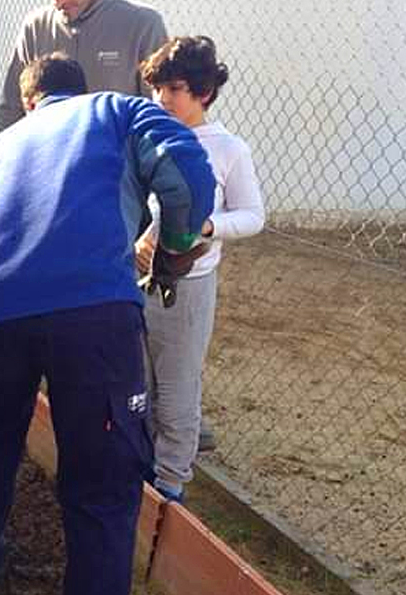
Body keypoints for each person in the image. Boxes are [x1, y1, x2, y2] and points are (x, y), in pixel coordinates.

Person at [0, 54, 216, 595]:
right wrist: (179, 243)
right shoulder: (117, 111)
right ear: (81, 89)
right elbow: (184, 163)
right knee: (103, 477)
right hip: (89, 312)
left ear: (29, 100)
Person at [135, 36, 266, 503]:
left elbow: (253, 216)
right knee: (141, 380)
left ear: (204, 93)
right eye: (157, 89)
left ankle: (170, 480)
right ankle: (142, 466)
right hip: (142, 280)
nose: (163, 99)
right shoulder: (151, 135)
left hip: (188, 285)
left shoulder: (229, 149)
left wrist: (207, 226)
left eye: (175, 89)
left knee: (176, 386)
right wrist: (142, 239)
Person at [0, 0, 168, 132]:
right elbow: (11, 107)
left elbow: (159, 109)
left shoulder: (143, 25)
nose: (58, 1)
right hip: (48, 165)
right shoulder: (35, 28)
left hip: (115, 168)